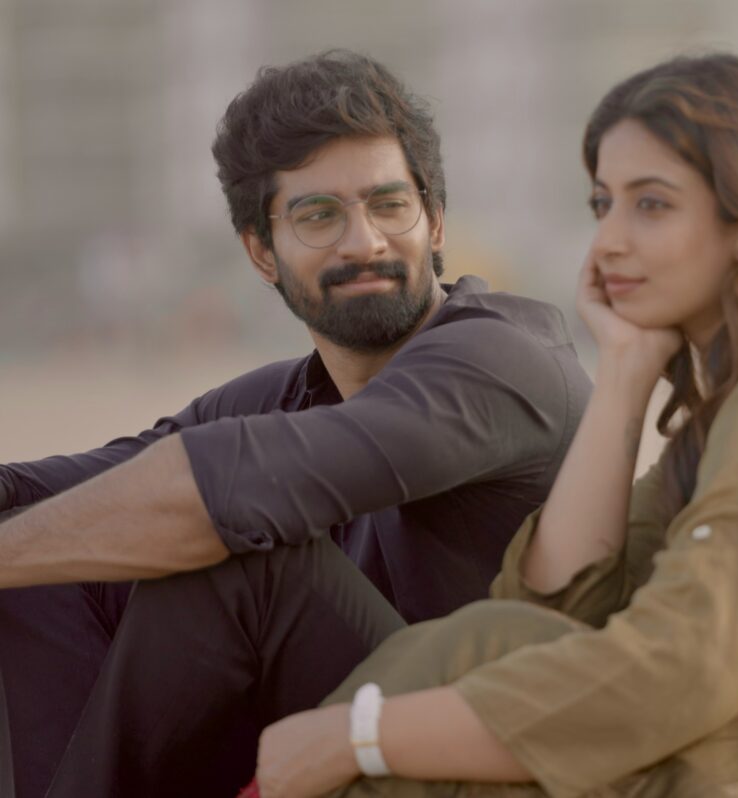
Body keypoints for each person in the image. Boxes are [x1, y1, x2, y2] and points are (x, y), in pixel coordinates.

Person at [222, 52, 738, 796]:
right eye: (603, 204)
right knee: (485, 645)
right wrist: (623, 375)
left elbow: (682, 670)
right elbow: (556, 603)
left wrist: (360, 736)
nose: (609, 243)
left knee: (453, 757)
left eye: (651, 207)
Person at [0, 51, 591, 798]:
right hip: (343, 751)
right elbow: (61, 492)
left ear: (435, 221)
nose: (364, 242)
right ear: (261, 252)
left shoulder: (502, 361)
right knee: (52, 550)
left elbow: (219, 493)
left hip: (489, 766)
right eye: (319, 216)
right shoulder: (284, 398)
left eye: (388, 205)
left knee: (238, 561)